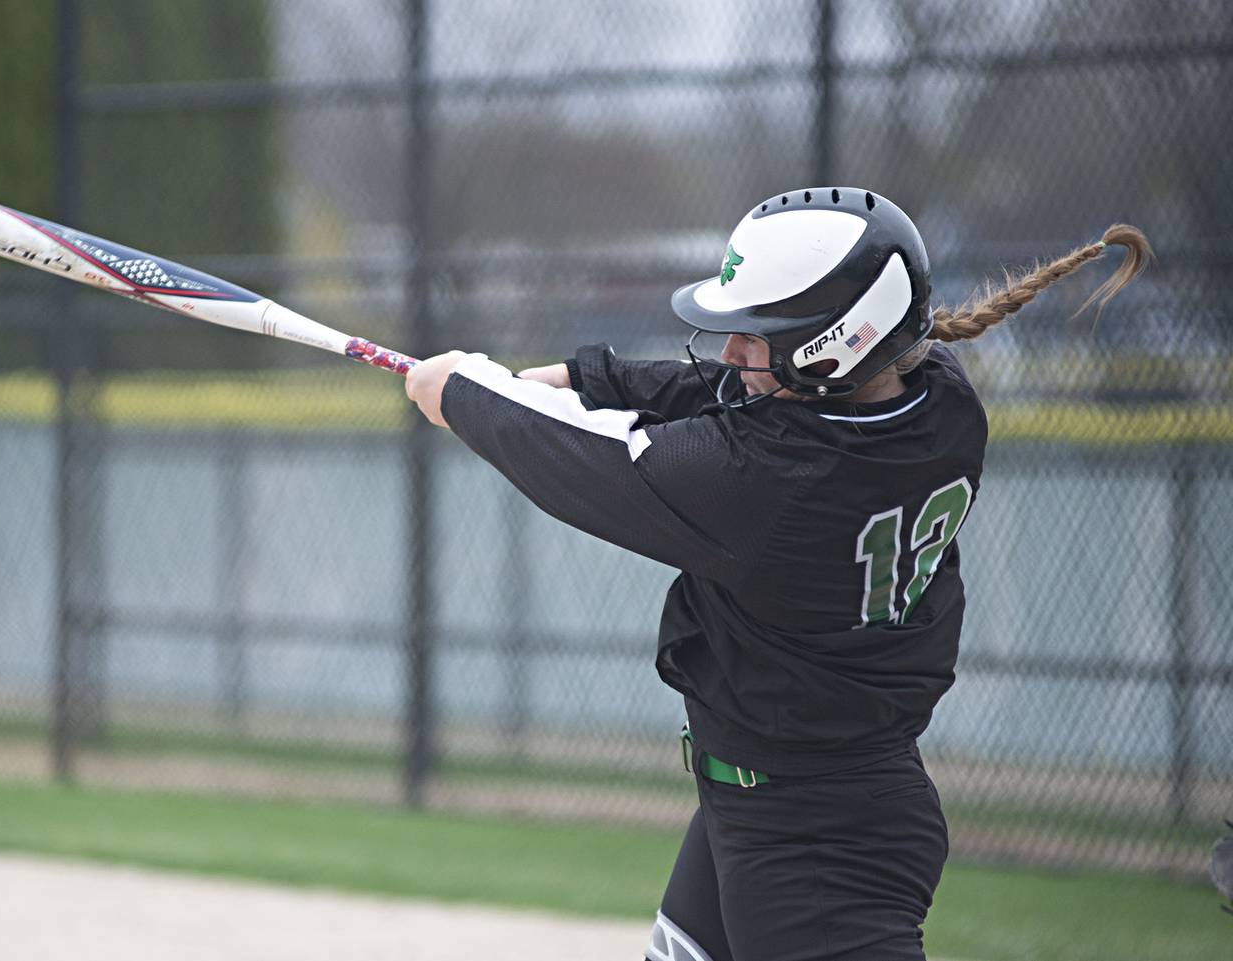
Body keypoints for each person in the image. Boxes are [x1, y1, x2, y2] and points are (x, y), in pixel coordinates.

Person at [404, 187, 1150, 961]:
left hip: (814, 845)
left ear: (831, 347)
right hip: (793, 799)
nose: (732, 351)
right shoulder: (940, 401)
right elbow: (739, 396)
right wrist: (593, 376)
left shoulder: (771, 483)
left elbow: (594, 463)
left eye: (756, 336)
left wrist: (463, 391)